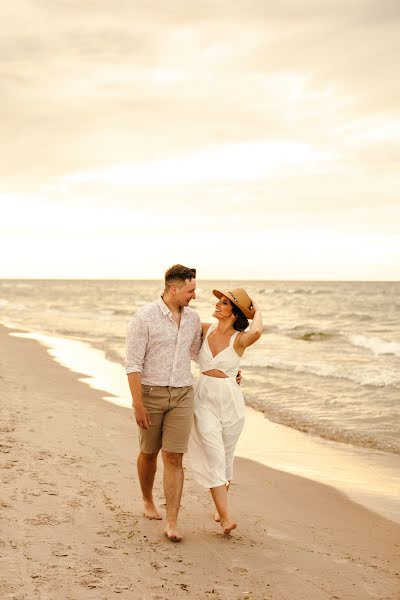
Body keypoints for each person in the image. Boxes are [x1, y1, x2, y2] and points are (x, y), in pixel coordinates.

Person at [126, 264, 202, 542]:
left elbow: (196, 354)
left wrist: (228, 371)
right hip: (151, 394)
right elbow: (133, 363)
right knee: (149, 452)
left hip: (182, 393)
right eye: (190, 290)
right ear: (174, 288)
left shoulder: (193, 319)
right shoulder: (144, 317)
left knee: (174, 456)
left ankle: (172, 521)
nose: (194, 295)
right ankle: (148, 500)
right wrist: (138, 403)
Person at [188, 287, 263, 535]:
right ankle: (225, 516)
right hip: (204, 398)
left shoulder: (239, 339)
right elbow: (183, 317)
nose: (218, 305)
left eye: (224, 303)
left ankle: (220, 506)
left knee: (226, 456)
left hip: (230, 401)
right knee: (214, 452)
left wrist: (258, 309)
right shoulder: (206, 328)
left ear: (234, 312)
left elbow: (258, 331)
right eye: (219, 301)